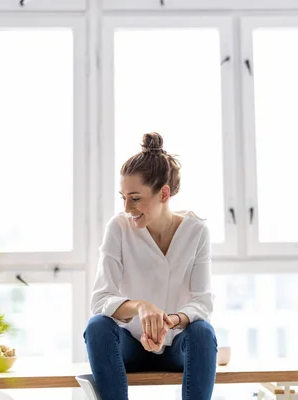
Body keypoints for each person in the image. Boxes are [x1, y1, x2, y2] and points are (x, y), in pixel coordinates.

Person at [84, 132, 217, 400]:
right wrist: (141, 307)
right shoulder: (118, 228)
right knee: (97, 325)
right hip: (129, 346)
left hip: (177, 346)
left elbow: (202, 302)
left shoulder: (196, 231)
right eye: (123, 197)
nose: (127, 207)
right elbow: (101, 299)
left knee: (203, 331)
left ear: (164, 193)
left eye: (135, 198)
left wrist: (171, 320)